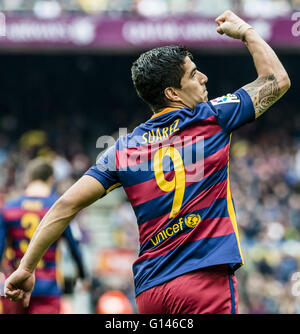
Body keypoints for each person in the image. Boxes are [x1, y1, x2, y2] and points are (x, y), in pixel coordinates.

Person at [4, 11, 290, 314]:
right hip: (205, 280)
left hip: (152, 292)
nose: (204, 78)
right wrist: (246, 31)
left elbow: (64, 205)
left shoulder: (121, 149)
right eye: (193, 74)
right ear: (172, 93)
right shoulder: (213, 117)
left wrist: (26, 266)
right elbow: (276, 80)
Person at [0, 158, 87, 314]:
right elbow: (74, 247)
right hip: (48, 286)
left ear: (28, 178)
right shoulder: (57, 208)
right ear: (51, 179)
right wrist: (82, 275)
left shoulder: (8, 208)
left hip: (14, 284)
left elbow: (0, 247)